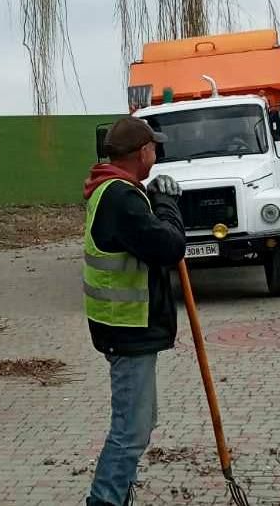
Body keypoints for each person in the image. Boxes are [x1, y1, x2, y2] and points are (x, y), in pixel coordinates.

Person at [83, 117, 186, 506]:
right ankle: (105, 500)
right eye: (154, 148)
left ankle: (116, 496)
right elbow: (169, 247)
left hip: (125, 328)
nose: (156, 154)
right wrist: (168, 203)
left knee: (140, 425)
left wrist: (155, 201)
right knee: (130, 432)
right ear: (142, 152)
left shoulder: (111, 189)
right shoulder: (121, 198)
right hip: (128, 330)